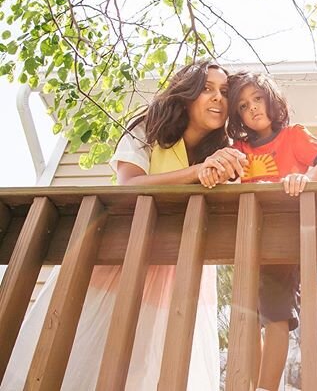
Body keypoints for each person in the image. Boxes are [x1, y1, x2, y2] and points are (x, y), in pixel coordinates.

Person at [1, 61, 246, 390]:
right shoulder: (150, 127)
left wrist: (226, 170)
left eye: (225, 92)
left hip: (179, 273)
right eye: (207, 88)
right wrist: (195, 173)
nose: (218, 98)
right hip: (119, 257)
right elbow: (129, 184)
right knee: (86, 351)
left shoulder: (222, 152)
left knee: (153, 366)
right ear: (187, 93)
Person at [223, 71, 317, 391]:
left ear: (271, 99)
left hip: (283, 240)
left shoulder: (292, 136)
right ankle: (249, 384)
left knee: (276, 314)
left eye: (258, 99)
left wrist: (307, 179)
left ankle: (267, 387)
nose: (254, 109)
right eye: (244, 106)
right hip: (250, 241)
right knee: (248, 315)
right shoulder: (240, 149)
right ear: (238, 115)